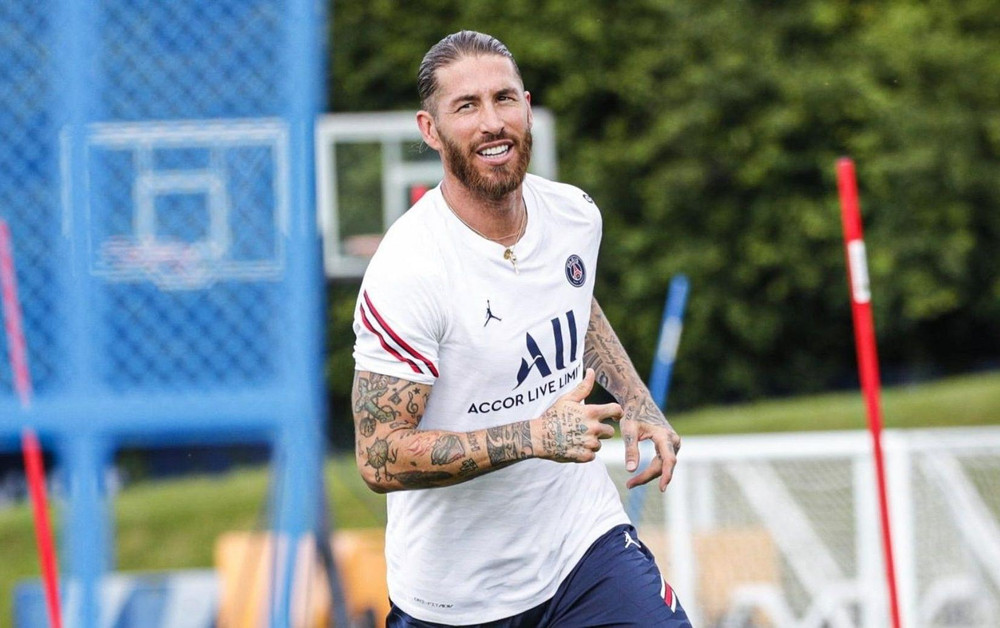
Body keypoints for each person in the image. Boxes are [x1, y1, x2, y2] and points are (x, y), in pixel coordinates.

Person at [351, 30, 692, 628]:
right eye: (466, 106)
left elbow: (576, 304)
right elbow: (379, 457)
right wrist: (534, 437)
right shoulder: (408, 269)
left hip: (584, 550)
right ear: (430, 130)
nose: (492, 123)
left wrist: (637, 400)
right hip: (456, 599)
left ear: (527, 107)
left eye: (504, 98)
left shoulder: (575, 214)